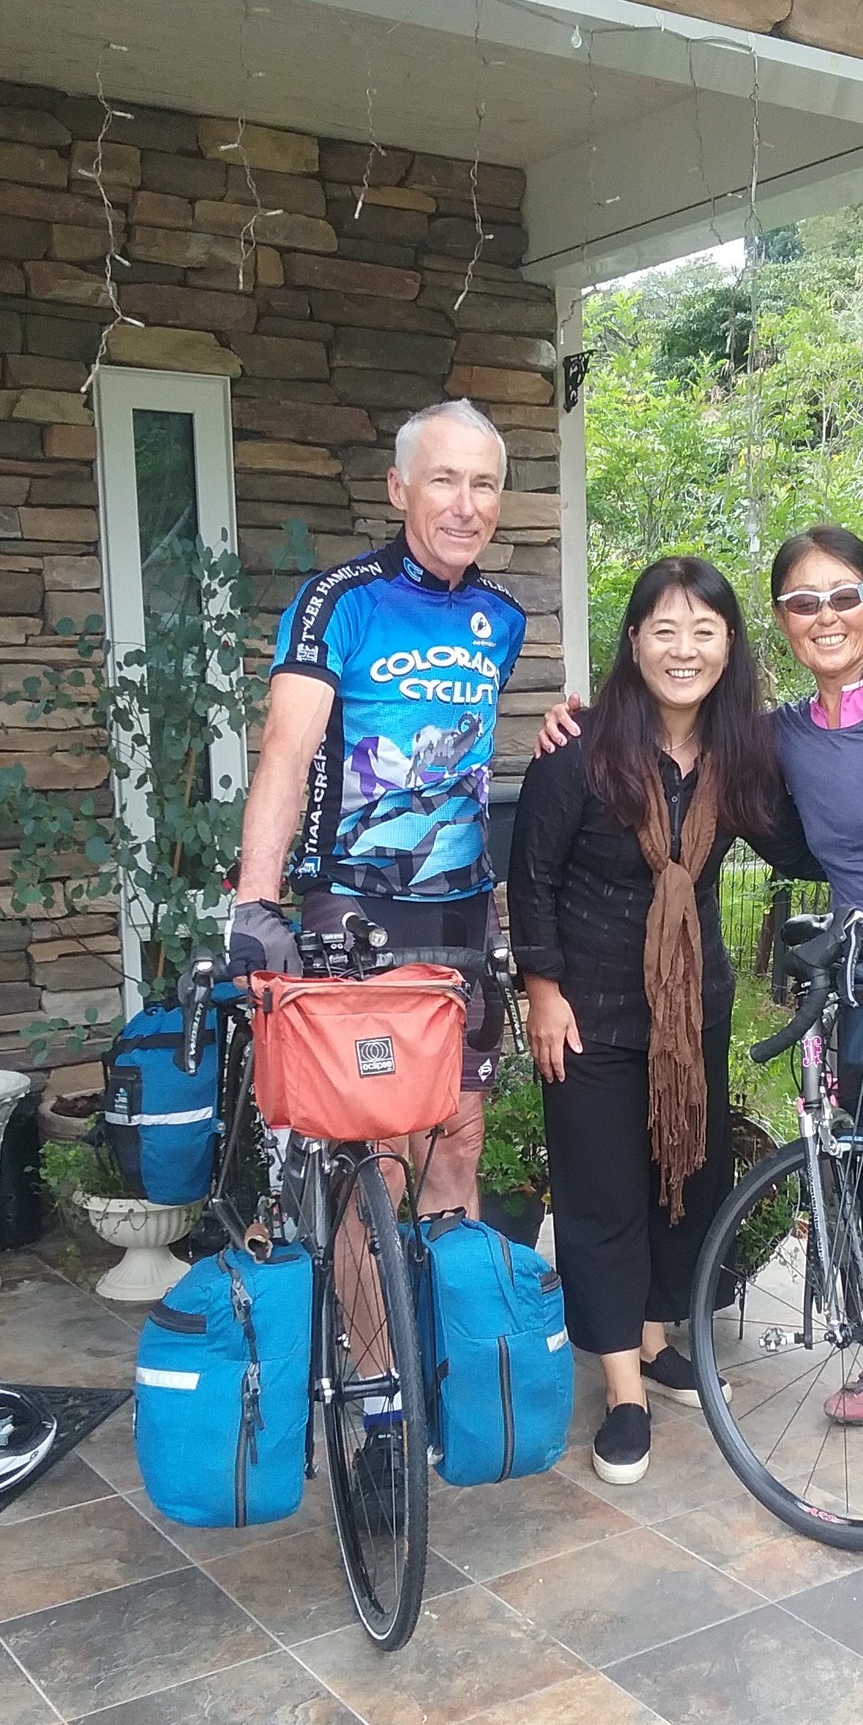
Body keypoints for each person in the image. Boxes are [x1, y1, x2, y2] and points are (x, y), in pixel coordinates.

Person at [537, 527, 863, 1486]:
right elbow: (694, 758)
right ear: (781, 622)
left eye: (843, 596)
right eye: (802, 602)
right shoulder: (775, 736)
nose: (825, 617)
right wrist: (573, 720)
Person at [509, 557, 817, 1486]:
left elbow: (800, 845)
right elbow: (532, 878)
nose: (685, 650)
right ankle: (623, 1393)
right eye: (666, 630)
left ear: (729, 647)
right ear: (635, 641)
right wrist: (543, 992)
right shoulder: (578, 749)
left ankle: (649, 1340)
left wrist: (861, 763)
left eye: (704, 632)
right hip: (589, 1013)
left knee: (682, 1178)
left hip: (690, 1015)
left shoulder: (739, 757)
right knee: (602, 1197)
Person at [228, 398, 526, 1217]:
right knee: (380, 1152)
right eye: (443, 481)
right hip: (356, 901)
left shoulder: (501, 618)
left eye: (483, 485)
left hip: (463, 908)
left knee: (457, 1136)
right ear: (399, 488)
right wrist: (255, 901)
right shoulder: (340, 601)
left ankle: (447, 1302)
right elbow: (286, 752)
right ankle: (371, 1311)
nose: (465, 506)